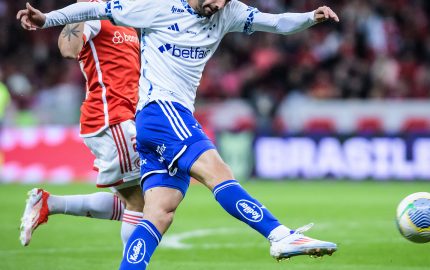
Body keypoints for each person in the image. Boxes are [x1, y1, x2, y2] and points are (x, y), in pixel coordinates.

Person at [17, 0, 340, 268]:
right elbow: (93, 8)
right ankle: (280, 235)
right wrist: (46, 19)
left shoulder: (229, 12)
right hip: (160, 111)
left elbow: (277, 22)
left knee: (159, 211)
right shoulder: (156, 8)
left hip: (160, 119)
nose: (218, 5)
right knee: (218, 173)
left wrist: (311, 17)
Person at [18, 0, 145, 250]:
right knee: (142, 201)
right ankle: (131, 265)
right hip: (111, 118)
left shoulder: (126, 16)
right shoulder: (94, 12)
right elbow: (68, 48)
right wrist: (82, 9)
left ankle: (48, 203)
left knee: (137, 201)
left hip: (125, 117)